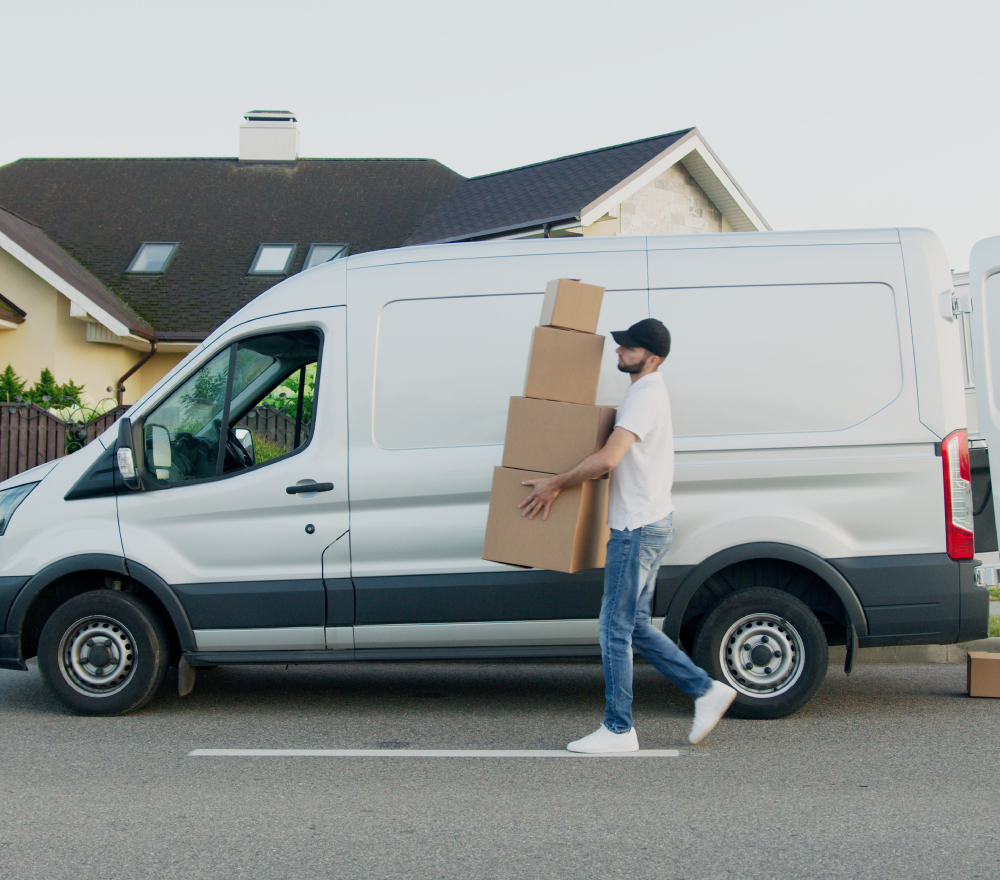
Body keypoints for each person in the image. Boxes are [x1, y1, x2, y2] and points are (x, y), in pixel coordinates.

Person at [518, 318, 736, 753]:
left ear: (651, 358)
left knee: (613, 628)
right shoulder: (646, 392)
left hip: (636, 529)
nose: (618, 352)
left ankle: (619, 729)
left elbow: (607, 460)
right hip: (652, 522)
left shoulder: (645, 395)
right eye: (621, 345)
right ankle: (705, 689)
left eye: (628, 348)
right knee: (633, 623)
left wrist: (554, 483)